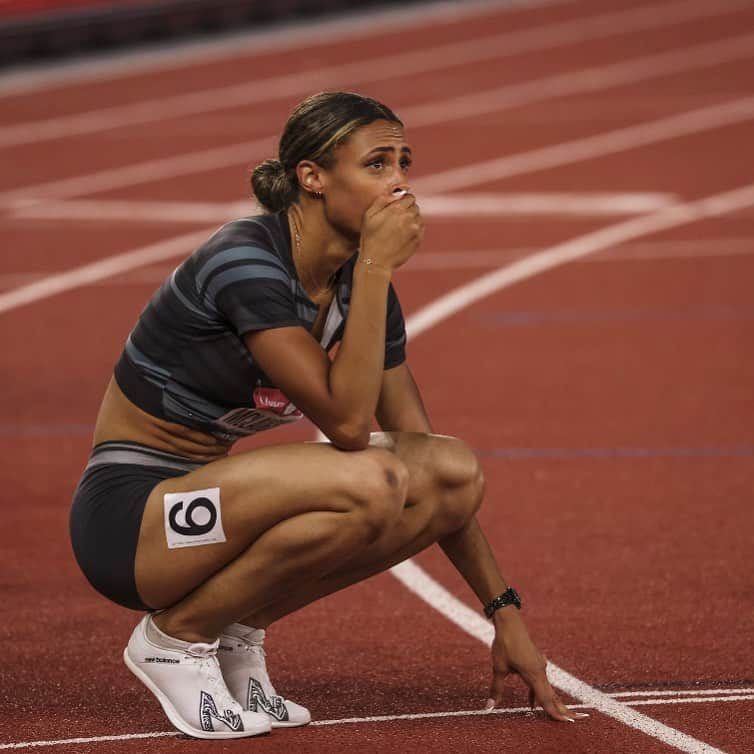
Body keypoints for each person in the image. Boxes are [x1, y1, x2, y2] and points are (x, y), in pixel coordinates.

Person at [69, 91, 586, 740]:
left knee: (450, 471)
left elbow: (431, 468)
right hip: (130, 525)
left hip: (210, 511)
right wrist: (374, 266)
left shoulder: (359, 288)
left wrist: (504, 612)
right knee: (371, 482)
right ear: (311, 177)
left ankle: (234, 633)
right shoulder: (244, 264)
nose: (400, 182)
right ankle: (176, 638)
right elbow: (346, 428)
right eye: (376, 164)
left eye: (404, 162)